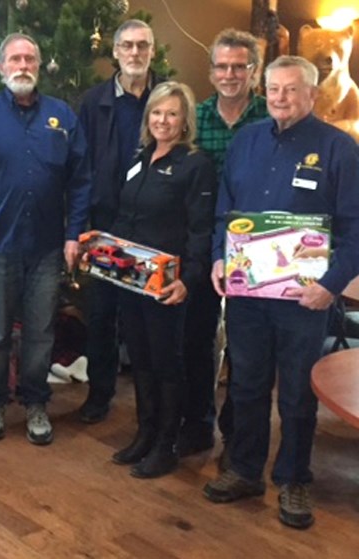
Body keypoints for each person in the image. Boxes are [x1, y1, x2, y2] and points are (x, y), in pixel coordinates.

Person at [203, 55, 359, 529]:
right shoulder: (245, 142)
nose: (280, 97)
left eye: (291, 89)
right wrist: (217, 256)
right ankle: (246, 470)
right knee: (247, 385)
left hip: (304, 299)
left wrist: (331, 287)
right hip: (248, 293)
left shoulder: (339, 149)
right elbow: (225, 210)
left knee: (296, 393)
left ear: (312, 94)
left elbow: (356, 230)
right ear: (263, 91)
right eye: (273, 89)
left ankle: (294, 477)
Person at [0, 33, 91, 446]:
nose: (23, 65)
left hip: (49, 246)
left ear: (39, 65)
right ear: (1, 67)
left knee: (40, 332)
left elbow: (81, 180)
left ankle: (35, 402)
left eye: (30, 58)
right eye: (14, 58)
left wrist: (73, 236)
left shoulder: (63, 116)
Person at [109, 81, 217, 478]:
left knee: (167, 364)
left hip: (169, 284)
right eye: (157, 112)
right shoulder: (140, 158)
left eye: (172, 113)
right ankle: (145, 433)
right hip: (133, 279)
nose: (163, 120)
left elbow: (200, 231)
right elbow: (125, 217)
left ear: (185, 119)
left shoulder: (196, 165)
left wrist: (189, 279)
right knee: (141, 359)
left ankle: (167, 444)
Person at [179, 29, 269, 463]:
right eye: (222, 66)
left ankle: (236, 432)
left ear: (254, 71)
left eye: (239, 66)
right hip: (202, 248)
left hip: (259, 250)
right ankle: (196, 425)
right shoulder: (194, 119)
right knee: (197, 339)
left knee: (246, 349)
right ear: (211, 71)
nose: (230, 74)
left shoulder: (271, 118)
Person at [77, 19, 163, 424]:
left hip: (154, 228)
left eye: (142, 46)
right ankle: (99, 395)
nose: (134, 53)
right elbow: (80, 169)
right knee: (101, 317)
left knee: (149, 321)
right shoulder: (93, 103)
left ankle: (154, 407)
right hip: (105, 227)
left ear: (152, 50)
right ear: (115, 52)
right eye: (126, 46)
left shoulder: (168, 98)